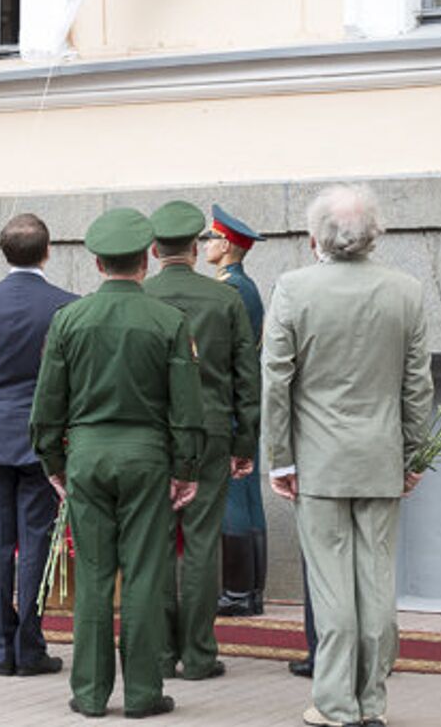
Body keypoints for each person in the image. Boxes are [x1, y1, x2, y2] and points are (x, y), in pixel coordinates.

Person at [262, 186, 435, 727]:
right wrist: (415, 454)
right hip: (381, 455)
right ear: (374, 234)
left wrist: (279, 457)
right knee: (377, 583)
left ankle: (336, 703)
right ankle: (371, 702)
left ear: (315, 238)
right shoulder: (405, 291)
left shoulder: (293, 288)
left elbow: (276, 383)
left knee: (331, 585)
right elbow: (417, 387)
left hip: (318, 461)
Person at [30, 207, 204, 720]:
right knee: (146, 575)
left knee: (94, 575)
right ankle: (145, 693)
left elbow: (47, 404)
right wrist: (187, 469)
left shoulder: (68, 320)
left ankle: (89, 693)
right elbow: (186, 408)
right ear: (145, 261)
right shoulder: (169, 321)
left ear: (98, 263)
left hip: (86, 456)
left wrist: (53, 462)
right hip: (148, 457)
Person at [0, 213, 78, 678]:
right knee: (36, 544)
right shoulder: (66, 305)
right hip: (42, 443)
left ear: (3, 253)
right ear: (49, 251)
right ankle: (30, 646)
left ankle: (2, 650)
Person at [143, 201, 258, 683]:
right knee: (202, 542)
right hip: (211, 429)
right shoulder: (225, 299)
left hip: (153, 433)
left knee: (159, 542)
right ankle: (198, 651)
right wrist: (245, 443)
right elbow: (244, 379)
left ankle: (164, 651)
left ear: (152, 250)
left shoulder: (141, 296)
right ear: (194, 248)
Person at [204, 204, 270, 621]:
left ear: (226, 244)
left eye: (208, 238)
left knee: (234, 497)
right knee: (244, 495)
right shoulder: (239, 286)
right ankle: (248, 590)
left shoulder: (232, 289)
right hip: (238, 398)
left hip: (228, 400)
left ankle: (239, 591)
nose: (204, 245)